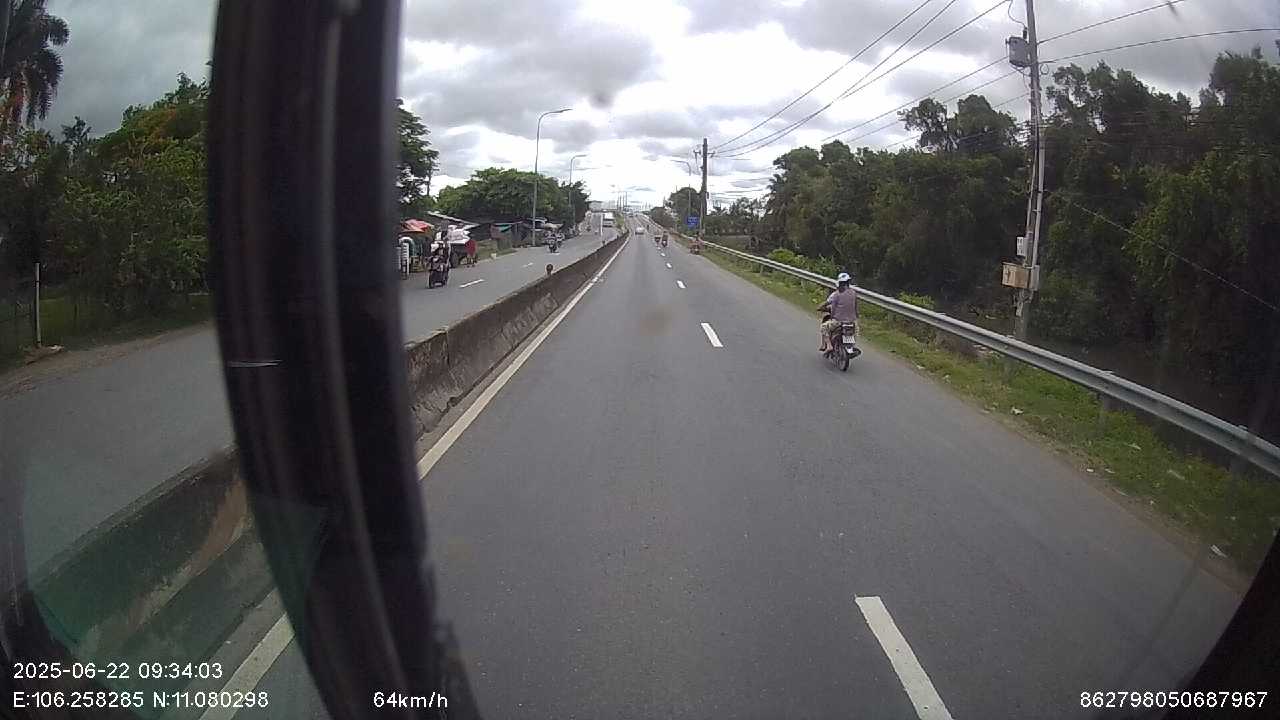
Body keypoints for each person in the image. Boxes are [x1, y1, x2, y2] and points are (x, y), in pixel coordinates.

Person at [818, 272, 859, 352]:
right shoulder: (854, 293)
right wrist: (856, 318)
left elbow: (833, 309)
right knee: (855, 332)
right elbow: (856, 308)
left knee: (824, 327)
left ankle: (829, 345)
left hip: (839, 321)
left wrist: (832, 317)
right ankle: (851, 346)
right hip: (852, 321)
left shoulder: (837, 294)